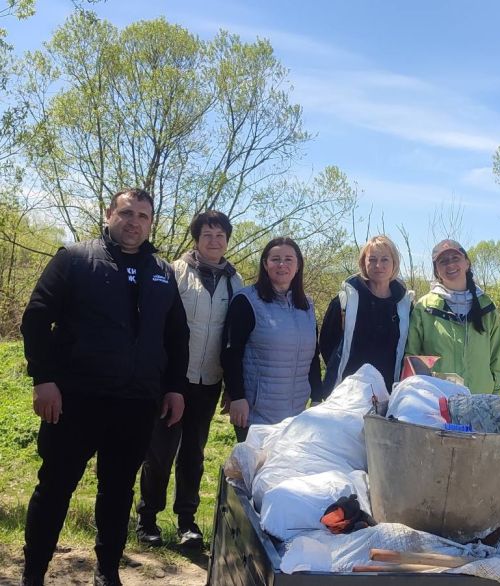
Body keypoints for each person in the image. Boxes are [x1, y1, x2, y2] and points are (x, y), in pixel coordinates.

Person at [19, 188, 188, 586]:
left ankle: (108, 571)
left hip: (135, 403)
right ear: (109, 214)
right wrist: (43, 379)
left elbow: (177, 337)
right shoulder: (75, 260)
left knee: (117, 491)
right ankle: (33, 573)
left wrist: (174, 387)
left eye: (143, 216)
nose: (134, 222)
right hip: (75, 399)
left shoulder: (163, 271)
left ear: (151, 223)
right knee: (56, 486)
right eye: (127, 213)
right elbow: (36, 319)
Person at [136, 210, 243, 548]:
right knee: (160, 451)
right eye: (208, 234)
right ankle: (148, 518)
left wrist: (230, 384)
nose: (214, 240)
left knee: (194, 453)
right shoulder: (174, 273)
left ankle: (187, 522)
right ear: (197, 239)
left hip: (208, 380)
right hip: (172, 379)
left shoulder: (235, 282)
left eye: (220, 235)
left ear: (227, 240)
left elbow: (234, 339)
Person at [221, 237, 323, 441]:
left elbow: (312, 356)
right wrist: (237, 397)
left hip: (297, 413)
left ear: (298, 265)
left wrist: (317, 397)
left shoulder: (307, 306)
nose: (282, 265)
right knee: (254, 471)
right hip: (256, 413)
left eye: (288, 259)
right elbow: (231, 354)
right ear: (265, 264)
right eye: (275, 259)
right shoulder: (246, 301)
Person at [406, 239, 500, 394]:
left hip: (480, 400)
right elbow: (411, 358)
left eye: (455, 258)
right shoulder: (424, 308)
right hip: (437, 401)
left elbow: (497, 358)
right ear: (437, 271)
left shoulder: (487, 307)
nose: (450, 265)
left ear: (467, 263)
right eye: (443, 261)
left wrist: (496, 394)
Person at [320, 235, 414, 393]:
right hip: (344, 391)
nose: (378, 265)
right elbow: (327, 343)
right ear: (364, 263)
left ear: (394, 263)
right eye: (372, 259)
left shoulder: (405, 305)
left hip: (387, 391)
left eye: (385, 259)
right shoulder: (346, 300)